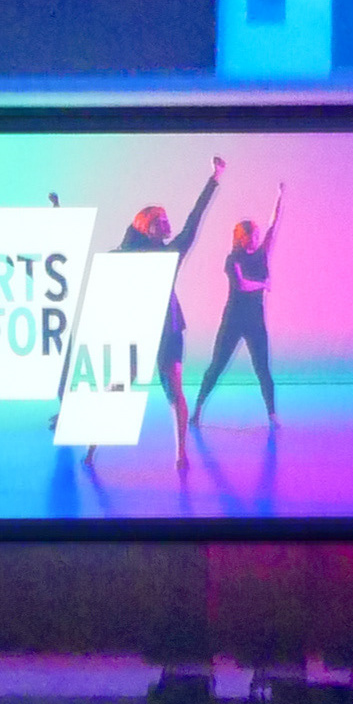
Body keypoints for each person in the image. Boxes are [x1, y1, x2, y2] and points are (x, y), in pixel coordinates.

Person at [87, 155, 221, 476]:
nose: (166, 223)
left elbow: (193, 221)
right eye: (159, 219)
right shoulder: (126, 255)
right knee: (119, 385)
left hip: (168, 329)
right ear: (146, 226)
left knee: (174, 389)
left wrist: (213, 179)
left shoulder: (171, 252)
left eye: (166, 218)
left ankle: (180, 454)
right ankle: (92, 446)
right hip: (138, 329)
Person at [192, 181, 283, 431]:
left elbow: (273, 225)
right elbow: (242, 285)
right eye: (251, 235)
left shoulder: (261, 254)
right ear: (241, 238)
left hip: (255, 322)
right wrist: (264, 284)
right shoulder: (233, 259)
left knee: (263, 369)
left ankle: (272, 414)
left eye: (256, 234)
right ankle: (197, 409)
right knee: (217, 365)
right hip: (233, 320)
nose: (256, 238)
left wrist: (279, 197)